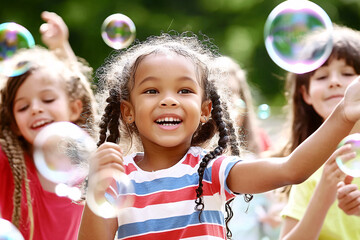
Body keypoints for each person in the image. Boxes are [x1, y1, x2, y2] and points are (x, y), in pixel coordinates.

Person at [78, 32, 360, 240]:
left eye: (184, 91)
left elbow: (291, 169)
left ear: (205, 110)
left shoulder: (211, 171)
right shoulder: (117, 179)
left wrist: (343, 114)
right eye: (152, 91)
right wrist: (97, 190)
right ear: (128, 111)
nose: (169, 100)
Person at [0, 13, 97, 240]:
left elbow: (77, 87)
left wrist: (61, 47)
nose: (35, 109)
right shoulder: (9, 163)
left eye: (48, 100)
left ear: (74, 109)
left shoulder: (85, 159)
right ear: (14, 125)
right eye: (23, 107)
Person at [278, 25, 360, 240]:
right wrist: (324, 193)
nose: (334, 82)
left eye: (348, 73)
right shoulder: (305, 165)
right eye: (322, 76)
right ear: (305, 94)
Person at [213, 56, 281, 240]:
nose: (227, 102)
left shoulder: (256, 160)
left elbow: (275, 231)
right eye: (220, 92)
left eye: (233, 93)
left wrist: (276, 220)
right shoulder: (191, 165)